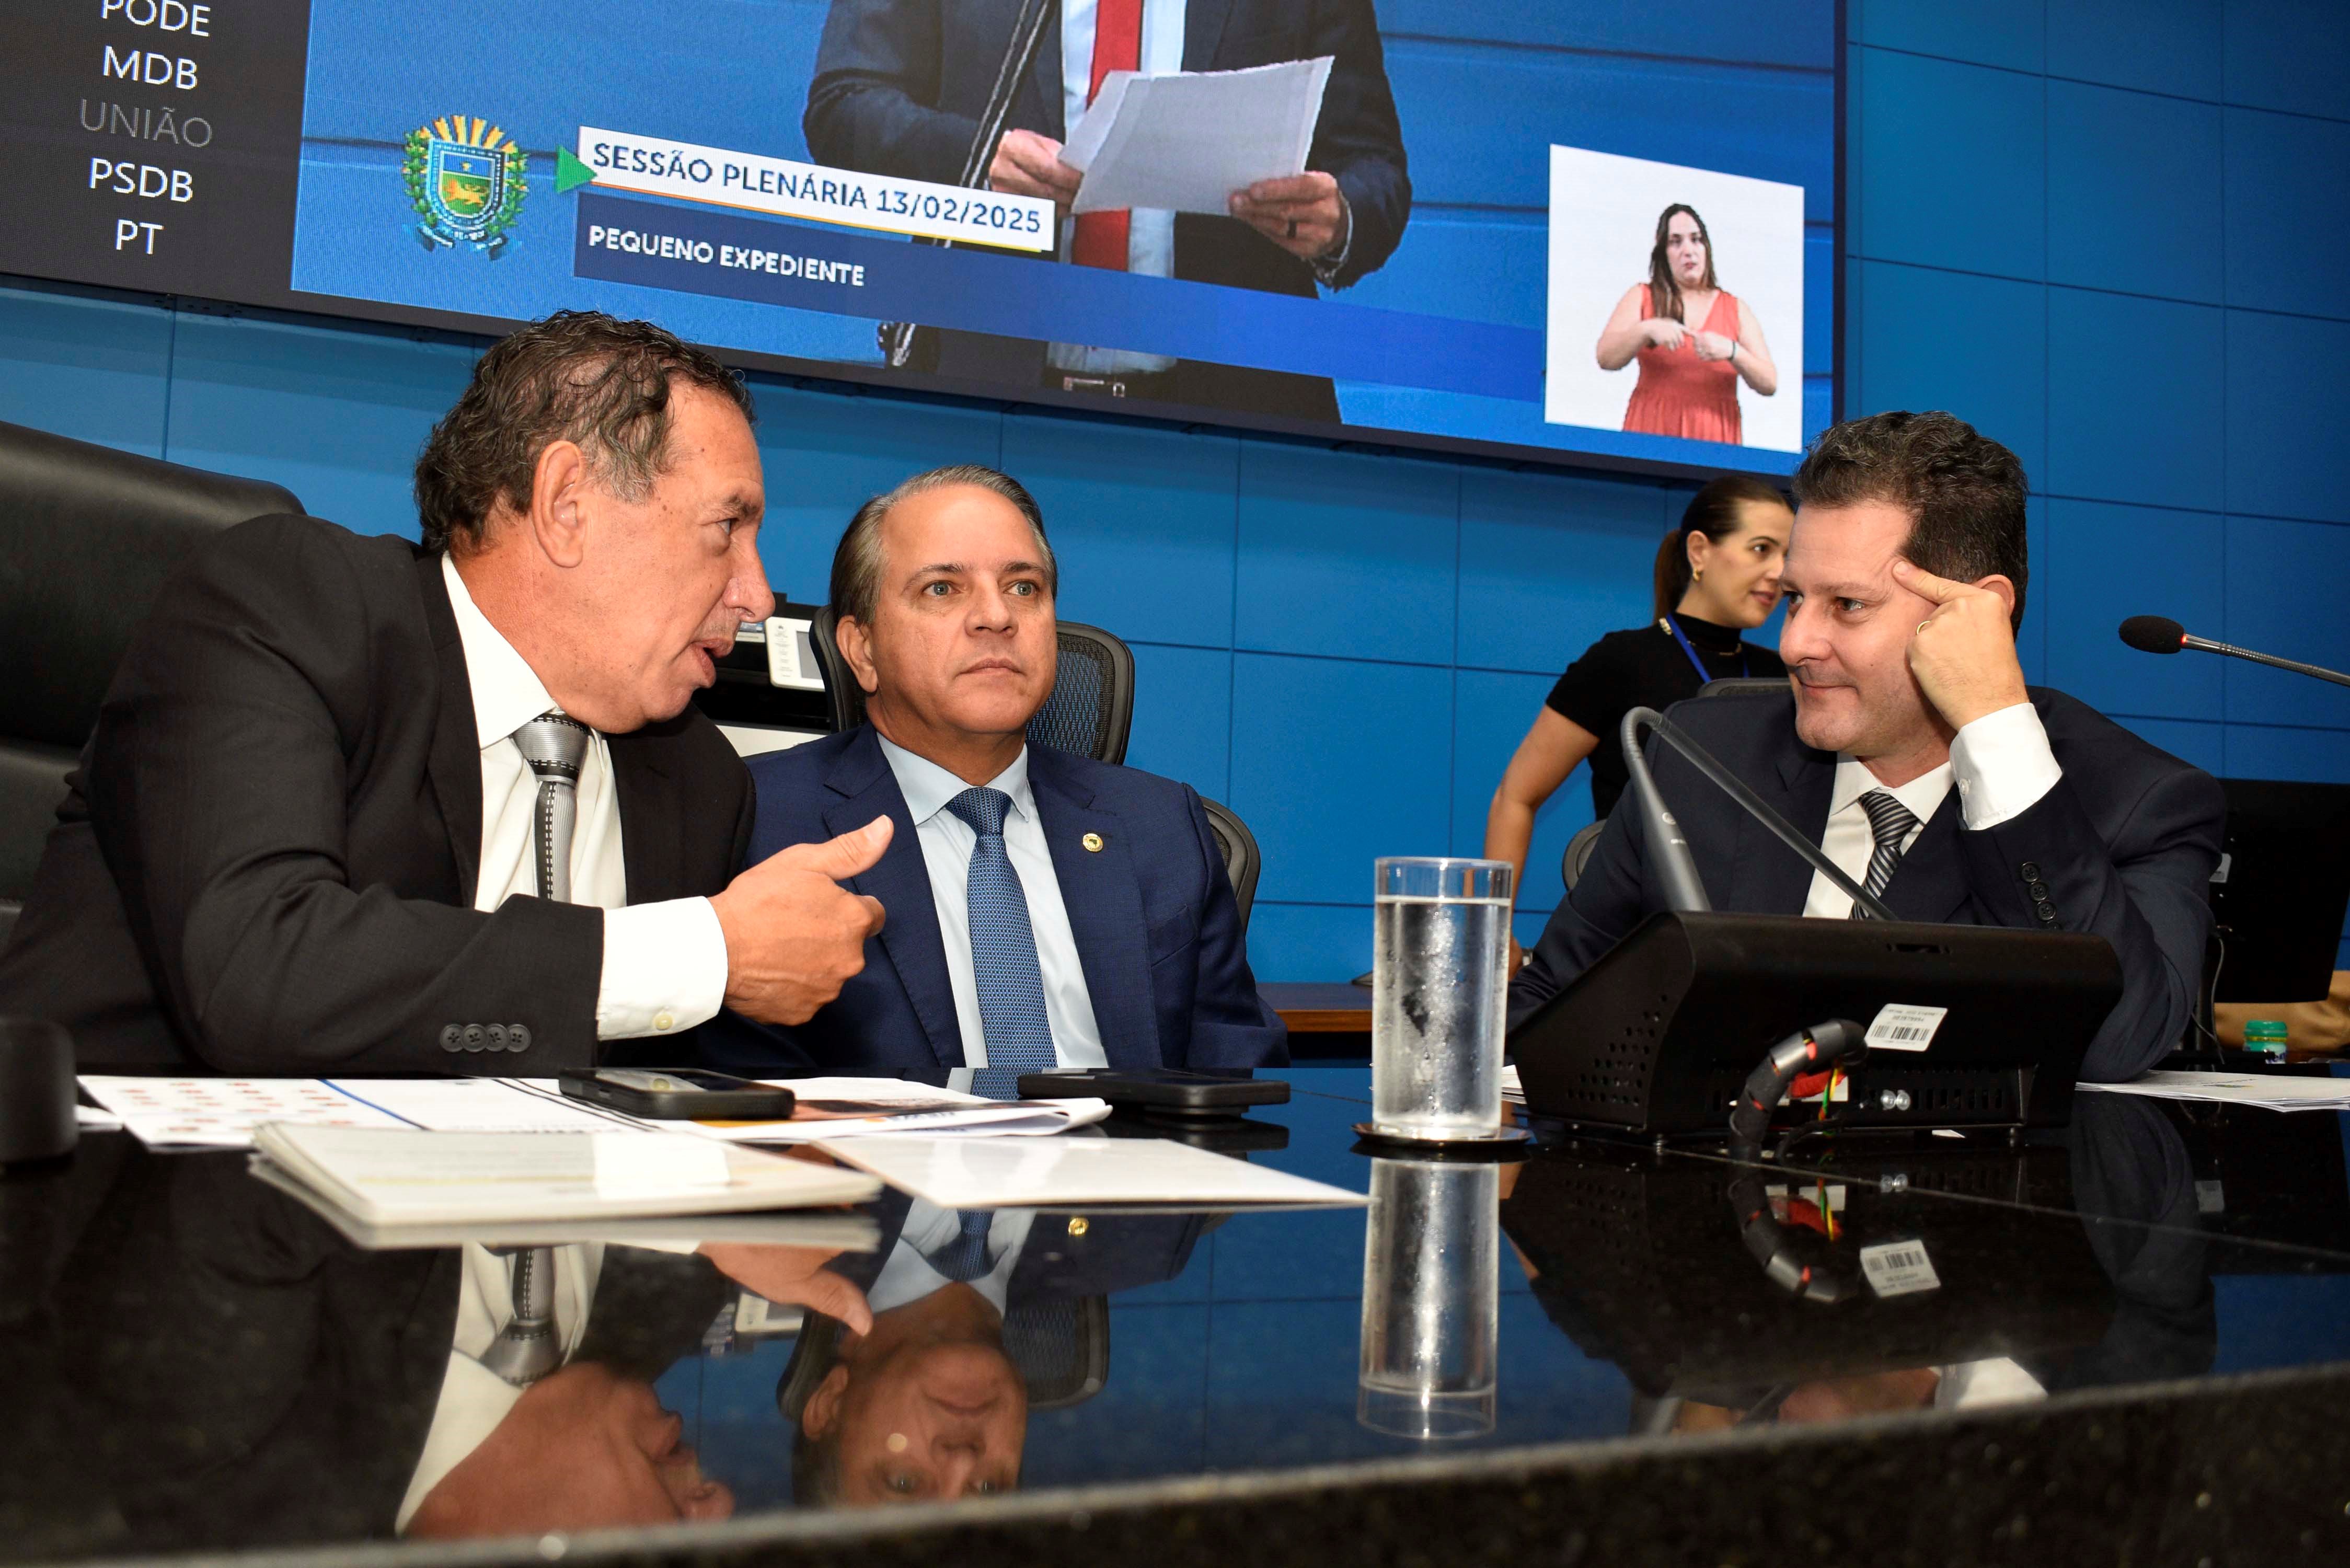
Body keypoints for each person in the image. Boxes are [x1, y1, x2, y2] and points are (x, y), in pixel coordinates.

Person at [0, 311, 891, 1073]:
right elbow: (255, 973)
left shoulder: (699, 780)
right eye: (726, 527)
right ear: (567, 504)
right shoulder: (291, 605)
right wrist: (699, 952)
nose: (758, 595)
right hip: (134, 1201)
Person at [1510, 411, 2226, 1085]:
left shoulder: (2137, 803)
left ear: (1976, 614)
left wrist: (1997, 736)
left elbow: (2115, 1042)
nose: (1794, 644)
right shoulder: (1699, 755)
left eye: (1847, 606)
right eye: (1794, 598)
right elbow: (1546, 1004)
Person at [704, 464, 1284, 1087]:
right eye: (941, 589)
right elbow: (737, 1088)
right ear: (862, 650)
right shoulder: (749, 820)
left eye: (1023, 587)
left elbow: (1236, 1066)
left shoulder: (1161, 825)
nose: (995, 616)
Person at [803, 0, 1410, 421]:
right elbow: (844, 108)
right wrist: (980, 157)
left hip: (1234, 412)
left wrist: (1339, 217)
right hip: (982, 394)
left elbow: (1373, 170)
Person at [1484, 476, 1790, 901]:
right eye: (1761, 549)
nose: (1780, 572)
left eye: (1787, 555)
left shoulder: (1784, 674)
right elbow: (1515, 796)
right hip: (1635, 920)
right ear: (1699, 551)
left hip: (1750, 920)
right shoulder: (1621, 661)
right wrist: (1493, 925)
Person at [1595, 204, 1779, 445]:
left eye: (1696, 240)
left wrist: (1733, 351)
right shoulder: (1642, 296)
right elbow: (1606, 358)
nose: (1688, 251)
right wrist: (1646, 329)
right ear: (1663, 252)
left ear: (1706, 248)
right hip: (1652, 428)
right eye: (1675, 242)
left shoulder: (1735, 308)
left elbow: (1769, 383)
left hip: (1714, 436)